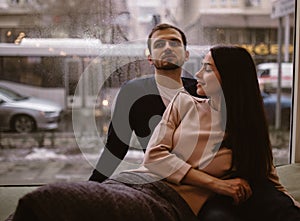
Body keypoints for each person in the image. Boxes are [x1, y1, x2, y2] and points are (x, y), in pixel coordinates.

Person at [11, 45, 300, 221]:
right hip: (136, 182)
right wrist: (217, 184)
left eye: (207, 69)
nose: (197, 74)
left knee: (52, 200)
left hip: (171, 204)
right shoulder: (183, 102)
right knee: (47, 203)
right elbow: (155, 157)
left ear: (232, 79)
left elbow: (271, 183)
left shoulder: (247, 130)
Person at [89, 23, 199, 182]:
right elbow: (116, 147)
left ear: (186, 54)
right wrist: (91, 187)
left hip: (207, 180)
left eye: (174, 43)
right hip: (162, 183)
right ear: (150, 58)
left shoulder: (200, 90)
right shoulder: (133, 93)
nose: (168, 47)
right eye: (160, 44)